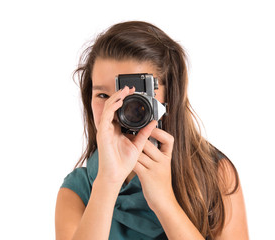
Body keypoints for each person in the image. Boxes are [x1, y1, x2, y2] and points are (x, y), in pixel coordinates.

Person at [55, 21, 249, 240]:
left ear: (169, 99)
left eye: (136, 96)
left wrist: (164, 202)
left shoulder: (215, 174)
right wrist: (108, 182)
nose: (117, 109)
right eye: (103, 96)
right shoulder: (77, 192)